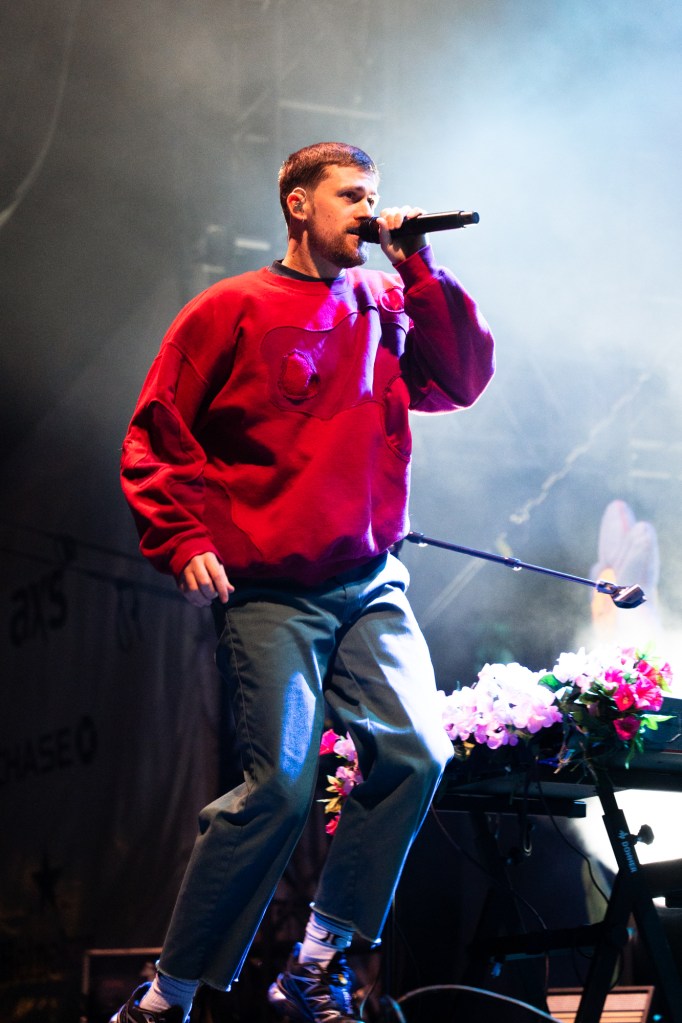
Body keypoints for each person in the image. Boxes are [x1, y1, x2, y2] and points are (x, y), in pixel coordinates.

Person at [114, 141, 495, 1023]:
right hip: (271, 592)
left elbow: (464, 378)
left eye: (375, 195)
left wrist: (419, 266)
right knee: (280, 789)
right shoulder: (230, 308)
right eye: (351, 195)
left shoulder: (388, 301)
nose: (369, 210)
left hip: (369, 580)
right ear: (298, 204)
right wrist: (180, 535)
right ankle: (166, 994)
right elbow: (155, 432)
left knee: (417, 752)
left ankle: (318, 961)